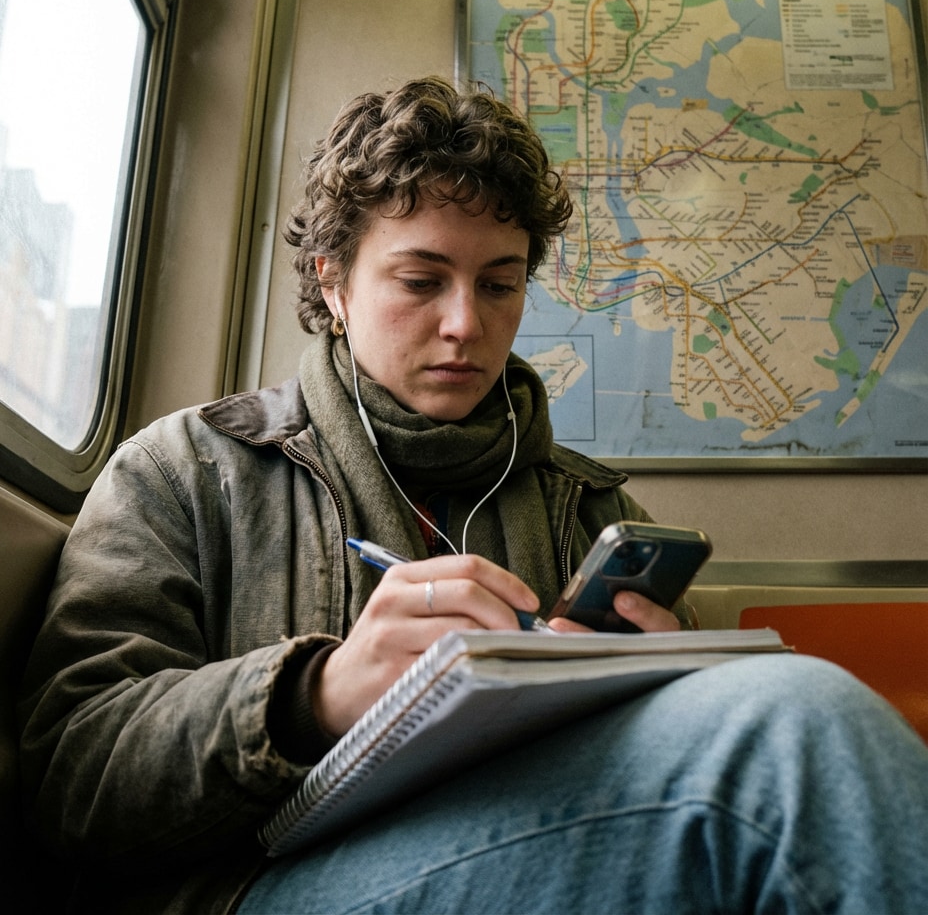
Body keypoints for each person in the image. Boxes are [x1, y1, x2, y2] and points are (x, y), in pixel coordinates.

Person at [18, 77, 928, 915]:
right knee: (799, 727)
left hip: (544, 838)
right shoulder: (184, 469)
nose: (466, 324)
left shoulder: (592, 511)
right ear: (334, 281)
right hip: (256, 885)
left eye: (500, 285)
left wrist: (662, 686)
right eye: (421, 281)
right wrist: (314, 696)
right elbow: (72, 778)